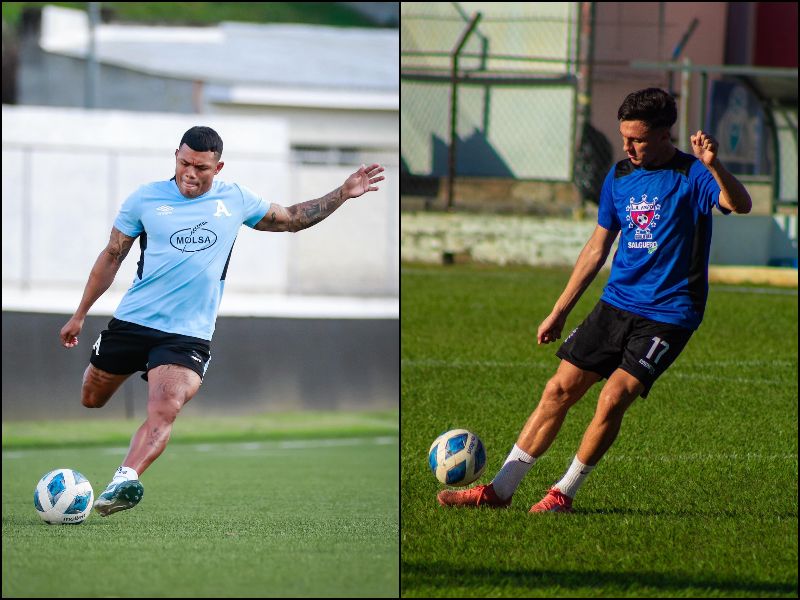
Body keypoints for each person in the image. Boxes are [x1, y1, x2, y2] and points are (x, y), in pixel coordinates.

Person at [438, 88, 752, 513]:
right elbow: (597, 247)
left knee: (613, 397)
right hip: (615, 304)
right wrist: (559, 310)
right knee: (558, 390)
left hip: (669, 314)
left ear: (663, 135)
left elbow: (740, 203)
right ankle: (499, 491)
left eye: (637, 139)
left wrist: (714, 167)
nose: (627, 146)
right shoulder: (619, 176)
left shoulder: (692, 174)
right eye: (624, 136)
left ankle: (562, 493)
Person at [59, 126, 384, 516]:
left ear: (219, 167)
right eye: (184, 163)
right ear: (175, 156)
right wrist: (80, 314)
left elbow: (293, 218)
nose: (190, 173)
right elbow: (112, 255)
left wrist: (342, 193)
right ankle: (122, 460)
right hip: (132, 322)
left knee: (167, 405)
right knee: (91, 398)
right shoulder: (144, 199)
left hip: (186, 334)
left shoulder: (235, 199)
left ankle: (125, 477)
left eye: (201, 167)